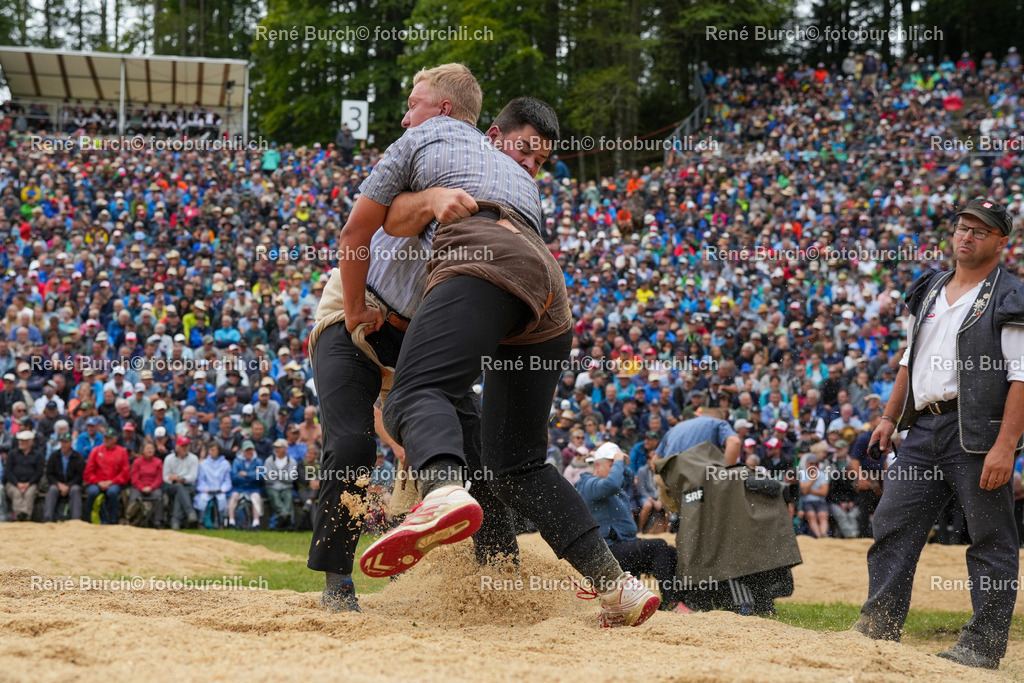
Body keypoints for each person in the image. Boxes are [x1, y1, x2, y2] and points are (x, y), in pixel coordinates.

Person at [352, 73, 658, 626]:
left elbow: (367, 229)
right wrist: (431, 198)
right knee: (516, 464)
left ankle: (443, 491)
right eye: (526, 150)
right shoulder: (522, 183)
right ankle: (618, 587)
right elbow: (412, 224)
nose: (405, 116)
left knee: (416, 394)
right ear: (494, 133)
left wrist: (423, 204)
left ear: (443, 110)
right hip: (546, 293)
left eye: (411, 106)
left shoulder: (427, 137)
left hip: (482, 262)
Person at [307, 64, 572, 612]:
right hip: (359, 312)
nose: (528, 165)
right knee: (353, 446)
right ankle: (337, 583)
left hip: (417, 334)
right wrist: (356, 309)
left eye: (539, 161)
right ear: (490, 136)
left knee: (475, 455)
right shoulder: (430, 146)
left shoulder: (508, 195)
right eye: (524, 151)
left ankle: (498, 577)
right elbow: (374, 223)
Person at [852, 198, 1024, 670]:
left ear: (1001, 243)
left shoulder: (1011, 295)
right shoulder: (929, 287)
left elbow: (1022, 377)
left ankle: (983, 646)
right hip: (924, 427)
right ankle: (878, 628)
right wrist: (889, 417)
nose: (966, 236)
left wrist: (1005, 446)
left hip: (977, 436)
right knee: (892, 523)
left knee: (990, 540)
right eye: (962, 227)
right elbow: (911, 358)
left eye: (980, 231)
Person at [575, 442, 688, 613]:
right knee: (658, 546)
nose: (617, 469)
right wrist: (619, 460)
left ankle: (686, 599)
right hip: (608, 552)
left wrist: (621, 458)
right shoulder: (588, 483)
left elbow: (626, 477)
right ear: (598, 465)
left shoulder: (611, 480)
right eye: (612, 465)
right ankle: (671, 603)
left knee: (671, 552)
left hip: (625, 545)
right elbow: (612, 484)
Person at [83, 427, 131, 524]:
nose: (106, 440)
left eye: (108, 438)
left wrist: (112, 481)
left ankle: (113, 520)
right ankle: (88, 519)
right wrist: (98, 482)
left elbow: (125, 472)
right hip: (97, 482)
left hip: (114, 482)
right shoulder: (96, 451)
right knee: (92, 492)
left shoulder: (122, 452)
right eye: (105, 437)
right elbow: (89, 471)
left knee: (112, 492)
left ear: (115, 439)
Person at [43, 431, 85, 522]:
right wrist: (58, 484)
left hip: (72, 484)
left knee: (75, 490)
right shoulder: (54, 456)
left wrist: (68, 486)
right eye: (62, 442)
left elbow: (79, 476)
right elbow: (49, 474)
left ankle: (76, 520)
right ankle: (47, 519)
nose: (63, 445)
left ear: (70, 443)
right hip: (57, 484)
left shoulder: (78, 457)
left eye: (65, 442)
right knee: (52, 490)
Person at [4, 430, 43, 521]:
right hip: (13, 483)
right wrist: (17, 483)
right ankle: (19, 515)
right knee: (16, 493)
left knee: (29, 493)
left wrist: (28, 483)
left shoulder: (38, 455)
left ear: (31, 441)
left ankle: (26, 516)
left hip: (31, 483)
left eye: (24, 440)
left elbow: (39, 472)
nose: (21, 442)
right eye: (20, 440)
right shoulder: (12, 454)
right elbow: (8, 471)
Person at [126, 440, 165, 527]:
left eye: (151, 448)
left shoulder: (158, 462)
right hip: (139, 487)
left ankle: (158, 521)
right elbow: (134, 478)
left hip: (153, 488)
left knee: (159, 496)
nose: (150, 450)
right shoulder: (137, 462)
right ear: (143, 450)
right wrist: (142, 487)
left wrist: (151, 487)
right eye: (147, 448)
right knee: (134, 496)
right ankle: (130, 519)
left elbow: (159, 478)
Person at [164, 436, 199, 530]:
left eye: (186, 446)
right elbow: (165, 477)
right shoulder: (169, 458)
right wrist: (175, 480)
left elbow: (193, 477)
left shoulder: (194, 458)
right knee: (179, 487)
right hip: (172, 486)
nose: (185, 448)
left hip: (187, 485)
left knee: (180, 492)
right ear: (177, 447)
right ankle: (190, 512)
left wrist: (179, 478)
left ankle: (175, 521)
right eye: (182, 446)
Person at [263, 438, 299, 529]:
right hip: (272, 487)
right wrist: (283, 475)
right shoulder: (269, 461)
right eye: (275, 447)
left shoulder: (292, 461)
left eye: (279, 447)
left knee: (288, 497)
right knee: (274, 497)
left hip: (287, 487)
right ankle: (286, 517)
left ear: (285, 449)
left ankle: (283, 520)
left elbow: (291, 479)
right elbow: (268, 479)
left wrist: (276, 474)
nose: (276, 449)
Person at [194, 443, 231, 526]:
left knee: (222, 500)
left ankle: (221, 523)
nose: (211, 452)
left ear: (219, 451)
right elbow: (200, 480)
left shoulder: (225, 464)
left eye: (214, 450)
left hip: (220, 490)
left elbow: (227, 480)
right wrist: (205, 489)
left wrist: (222, 489)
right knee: (202, 499)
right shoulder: (203, 464)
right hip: (207, 490)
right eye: (210, 450)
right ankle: (200, 522)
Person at [228, 440, 264, 528]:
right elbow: (234, 477)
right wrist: (252, 476)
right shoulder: (237, 461)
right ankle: (231, 522)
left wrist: (246, 474)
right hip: (239, 488)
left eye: (251, 450)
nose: (249, 452)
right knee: (234, 496)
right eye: (247, 450)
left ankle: (256, 523)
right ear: (243, 451)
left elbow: (260, 476)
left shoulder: (258, 461)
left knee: (256, 498)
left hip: (253, 488)